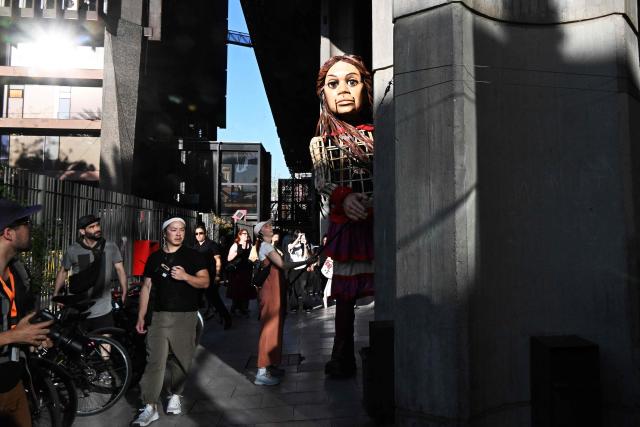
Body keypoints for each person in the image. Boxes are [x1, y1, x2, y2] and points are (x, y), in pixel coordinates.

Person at [309, 55, 374, 378]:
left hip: (378, 222)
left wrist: (371, 203)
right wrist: (344, 197)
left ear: (365, 88)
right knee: (345, 298)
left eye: (353, 81)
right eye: (334, 84)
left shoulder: (379, 135)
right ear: (324, 94)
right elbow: (322, 180)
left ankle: (387, 347)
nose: (344, 90)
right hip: (346, 226)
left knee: (388, 286)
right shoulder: (321, 144)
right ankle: (342, 353)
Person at [133, 217, 209, 426]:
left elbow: (205, 281)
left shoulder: (193, 256)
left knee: (182, 361)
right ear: (165, 233)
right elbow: (146, 287)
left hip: (186, 315)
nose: (178, 234)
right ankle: (150, 406)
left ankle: (175, 393)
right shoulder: (154, 258)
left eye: (182, 230)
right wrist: (141, 315)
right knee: (154, 361)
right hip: (159, 316)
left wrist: (186, 277)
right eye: (174, 230)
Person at [0, 199, 53, 427]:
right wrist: (13, 336)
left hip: (14, 384)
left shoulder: (16, 272)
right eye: (25, 222)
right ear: (8, 233)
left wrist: (32, 336)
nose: (30, 227)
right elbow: (12, 333)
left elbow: (15, 322)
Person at [252, 220, 316, 386]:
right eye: (266, 226)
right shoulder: (266, 247)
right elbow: (283, 264)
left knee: (275, 327)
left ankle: (270, 365)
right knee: (269, 328)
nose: (270, 227)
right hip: (270, 290)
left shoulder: (268, 246)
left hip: (275, 289)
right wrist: (305, 262)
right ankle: (261, 371)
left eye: (269, 225)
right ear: (260, 232)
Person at [53, 214, 128, 334]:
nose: (97, 229)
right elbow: (63, 272)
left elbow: (120, 269)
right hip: (79, 308)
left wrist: (125, 290)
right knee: (79, 347)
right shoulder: (73, 250)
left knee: (105, 345)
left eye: (97, 225)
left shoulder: (110, 246)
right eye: (92, 227)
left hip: (103, 308)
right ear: (82, 231)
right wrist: (56, 294)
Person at [192, 224, 232, 329]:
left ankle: (227, 319)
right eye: (196, 233)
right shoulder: (195, 246)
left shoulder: (212, 245)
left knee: (215, 300)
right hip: (198, 277)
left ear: (205, 233)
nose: (198, 235)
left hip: (210, 277)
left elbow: (218, 260)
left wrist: (218, 276)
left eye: (201, 233)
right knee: (194, 299)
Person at [226, 229, 255, 317]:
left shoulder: (250, 245)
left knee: (245, 289)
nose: (246, 235)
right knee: (236, 289)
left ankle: (243, 308)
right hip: (237, 272)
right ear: (240, 235)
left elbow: (253, 256)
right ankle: (234, 307)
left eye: (247, 234)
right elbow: (229, 258)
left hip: (247, 271)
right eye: (244, 234)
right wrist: (236, 253)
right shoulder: (235, 245)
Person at [287, 230, 311, 312]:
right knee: (294, 288)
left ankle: (306, 306)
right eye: (299, 236)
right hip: (294, 269)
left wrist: (305, 244)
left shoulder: (302, 245)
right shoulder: (290, 244)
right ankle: (294, 306)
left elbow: (305, 257)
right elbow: (291, 247)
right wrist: (298, 238)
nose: (300, 238)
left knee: (303, 287)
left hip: (302, 268)